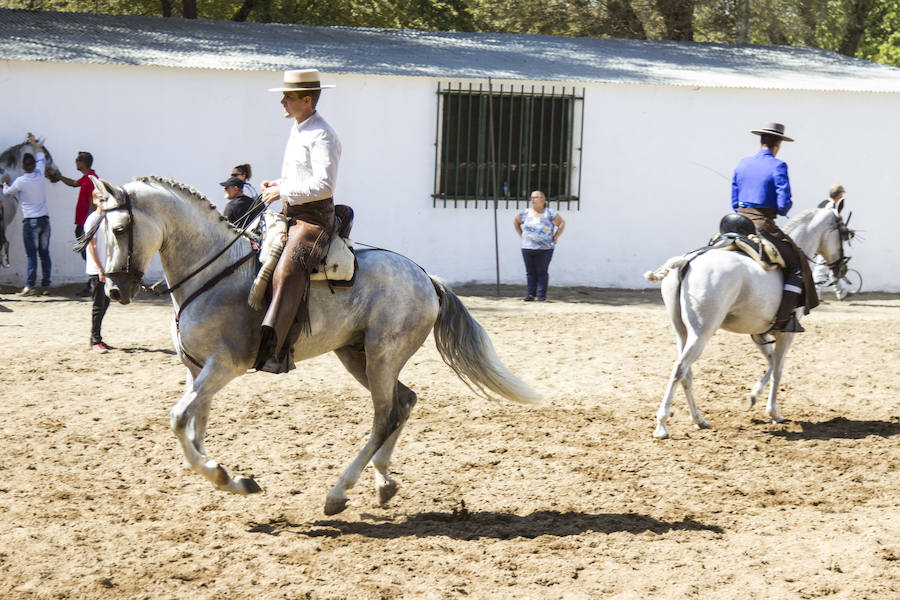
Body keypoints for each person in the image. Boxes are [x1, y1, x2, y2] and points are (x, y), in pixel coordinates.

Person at [254, 68, 342, 373]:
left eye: (288, 97)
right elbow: (301, 177)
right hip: (291, 212)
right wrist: (278, 184)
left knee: (287, 270)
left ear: (307, 100)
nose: (282, 102)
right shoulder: (299, 127)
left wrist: (283, 190)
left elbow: (324, 186)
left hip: (314, 218)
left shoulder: (323, 135)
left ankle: (275, 348)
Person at [731, 122, 818, 332]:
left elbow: (734, 200)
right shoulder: (778, 165)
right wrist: (782, 208)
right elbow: (783, 202)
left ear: (762, 141)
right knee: (797, 262)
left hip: (735, 222)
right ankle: (783, 318)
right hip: (761, 223)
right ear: (778, 144)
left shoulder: (743, 163)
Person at [1, 133, 52, 296]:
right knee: (44, 254)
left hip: (30, 222)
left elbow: (8, 193)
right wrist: (33, 142)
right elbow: (40, 154)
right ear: (34, 165)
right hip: (45, 221)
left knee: (31, 255)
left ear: (22, 167)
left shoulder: (20, 181)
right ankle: (46, 284)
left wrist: (5, 182)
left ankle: (29, 285)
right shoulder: (39, 172)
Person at [48, 150, 97, 296]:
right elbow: (74, 184)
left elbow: (92, 204)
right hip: (82, 224)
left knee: (89, 255)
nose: (75, 163)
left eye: (77, 161)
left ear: (82, 163)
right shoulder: (87, 177)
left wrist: (87, 226)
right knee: (87, 255)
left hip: (85, 225)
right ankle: (93, 283)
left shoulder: (91, 180)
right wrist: (58, 176)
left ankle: (93, 285)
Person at [513, 190, 565, 302]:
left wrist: (556, 236)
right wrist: (521, 235)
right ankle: (531, 294)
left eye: (535, 197)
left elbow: (561, 223)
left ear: (542, 199)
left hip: (545, 248)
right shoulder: (526, 213)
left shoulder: (549, 213)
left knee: (542, 271)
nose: (532, 199)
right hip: (527, 247)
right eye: (531, 197)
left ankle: (541, 295)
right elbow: (516, 221)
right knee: (530, 272)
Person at [83, 190, 112, 352]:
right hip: (97, 269)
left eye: (105, 199)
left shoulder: (108, 218)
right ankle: (95, 340)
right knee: (98, 305)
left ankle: (95, 338)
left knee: (105, 303)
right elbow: (91, 246)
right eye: (100, 199)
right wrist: (100, 269)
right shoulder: (93, 220)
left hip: (107, 268)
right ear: (94, 201)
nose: (103, 202)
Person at [814, 184, 851, 300]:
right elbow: (830, 225)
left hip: (823, 241)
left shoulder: (822, 204)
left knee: (833, 268)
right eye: (842, 194)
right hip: (827, 243)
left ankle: (841, 292)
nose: (842, 196)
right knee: (820, 269)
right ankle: (815, 296)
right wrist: (845, 232)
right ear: (839, 195)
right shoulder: (831, 206)